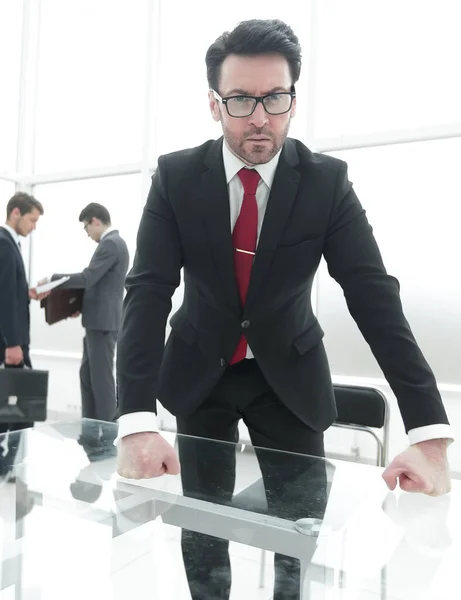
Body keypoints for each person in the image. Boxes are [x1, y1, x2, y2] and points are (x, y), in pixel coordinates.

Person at [115, 18, 453, 600]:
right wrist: (136, 421)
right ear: (214, 105)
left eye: (275, 97)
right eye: (241, 99)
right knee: (202, 534)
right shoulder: (175, 179)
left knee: (298, 540)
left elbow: (374, 298)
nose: (260, 116)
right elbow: (146, 293)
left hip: (290, 380)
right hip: (201, 375)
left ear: (293, 99)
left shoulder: (327, 183)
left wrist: (429, 430)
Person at [43, 203, 129, 456]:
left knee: (101, 381)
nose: (87, 233)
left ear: (94, 221)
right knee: (87, 376)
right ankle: (90, 431)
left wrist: (54, 280)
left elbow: (89, 277)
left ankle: (107, 436)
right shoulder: (112, 244)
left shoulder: (111, 244)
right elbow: (98, 285)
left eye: (86, 228)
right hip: (96, 322)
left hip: (103, 324)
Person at [0, 192, 45, 482]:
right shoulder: (4, 244)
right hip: (11, 342)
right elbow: (3, 297)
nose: (34, 227)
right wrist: (12, 343)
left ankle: (10, 463)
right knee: (17, 406)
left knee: (18, 407)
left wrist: (26, 292)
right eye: (32, 220)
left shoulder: (9, 244)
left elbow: (10, 291)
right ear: (15, 213)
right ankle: (9, 465)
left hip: (13, 340)